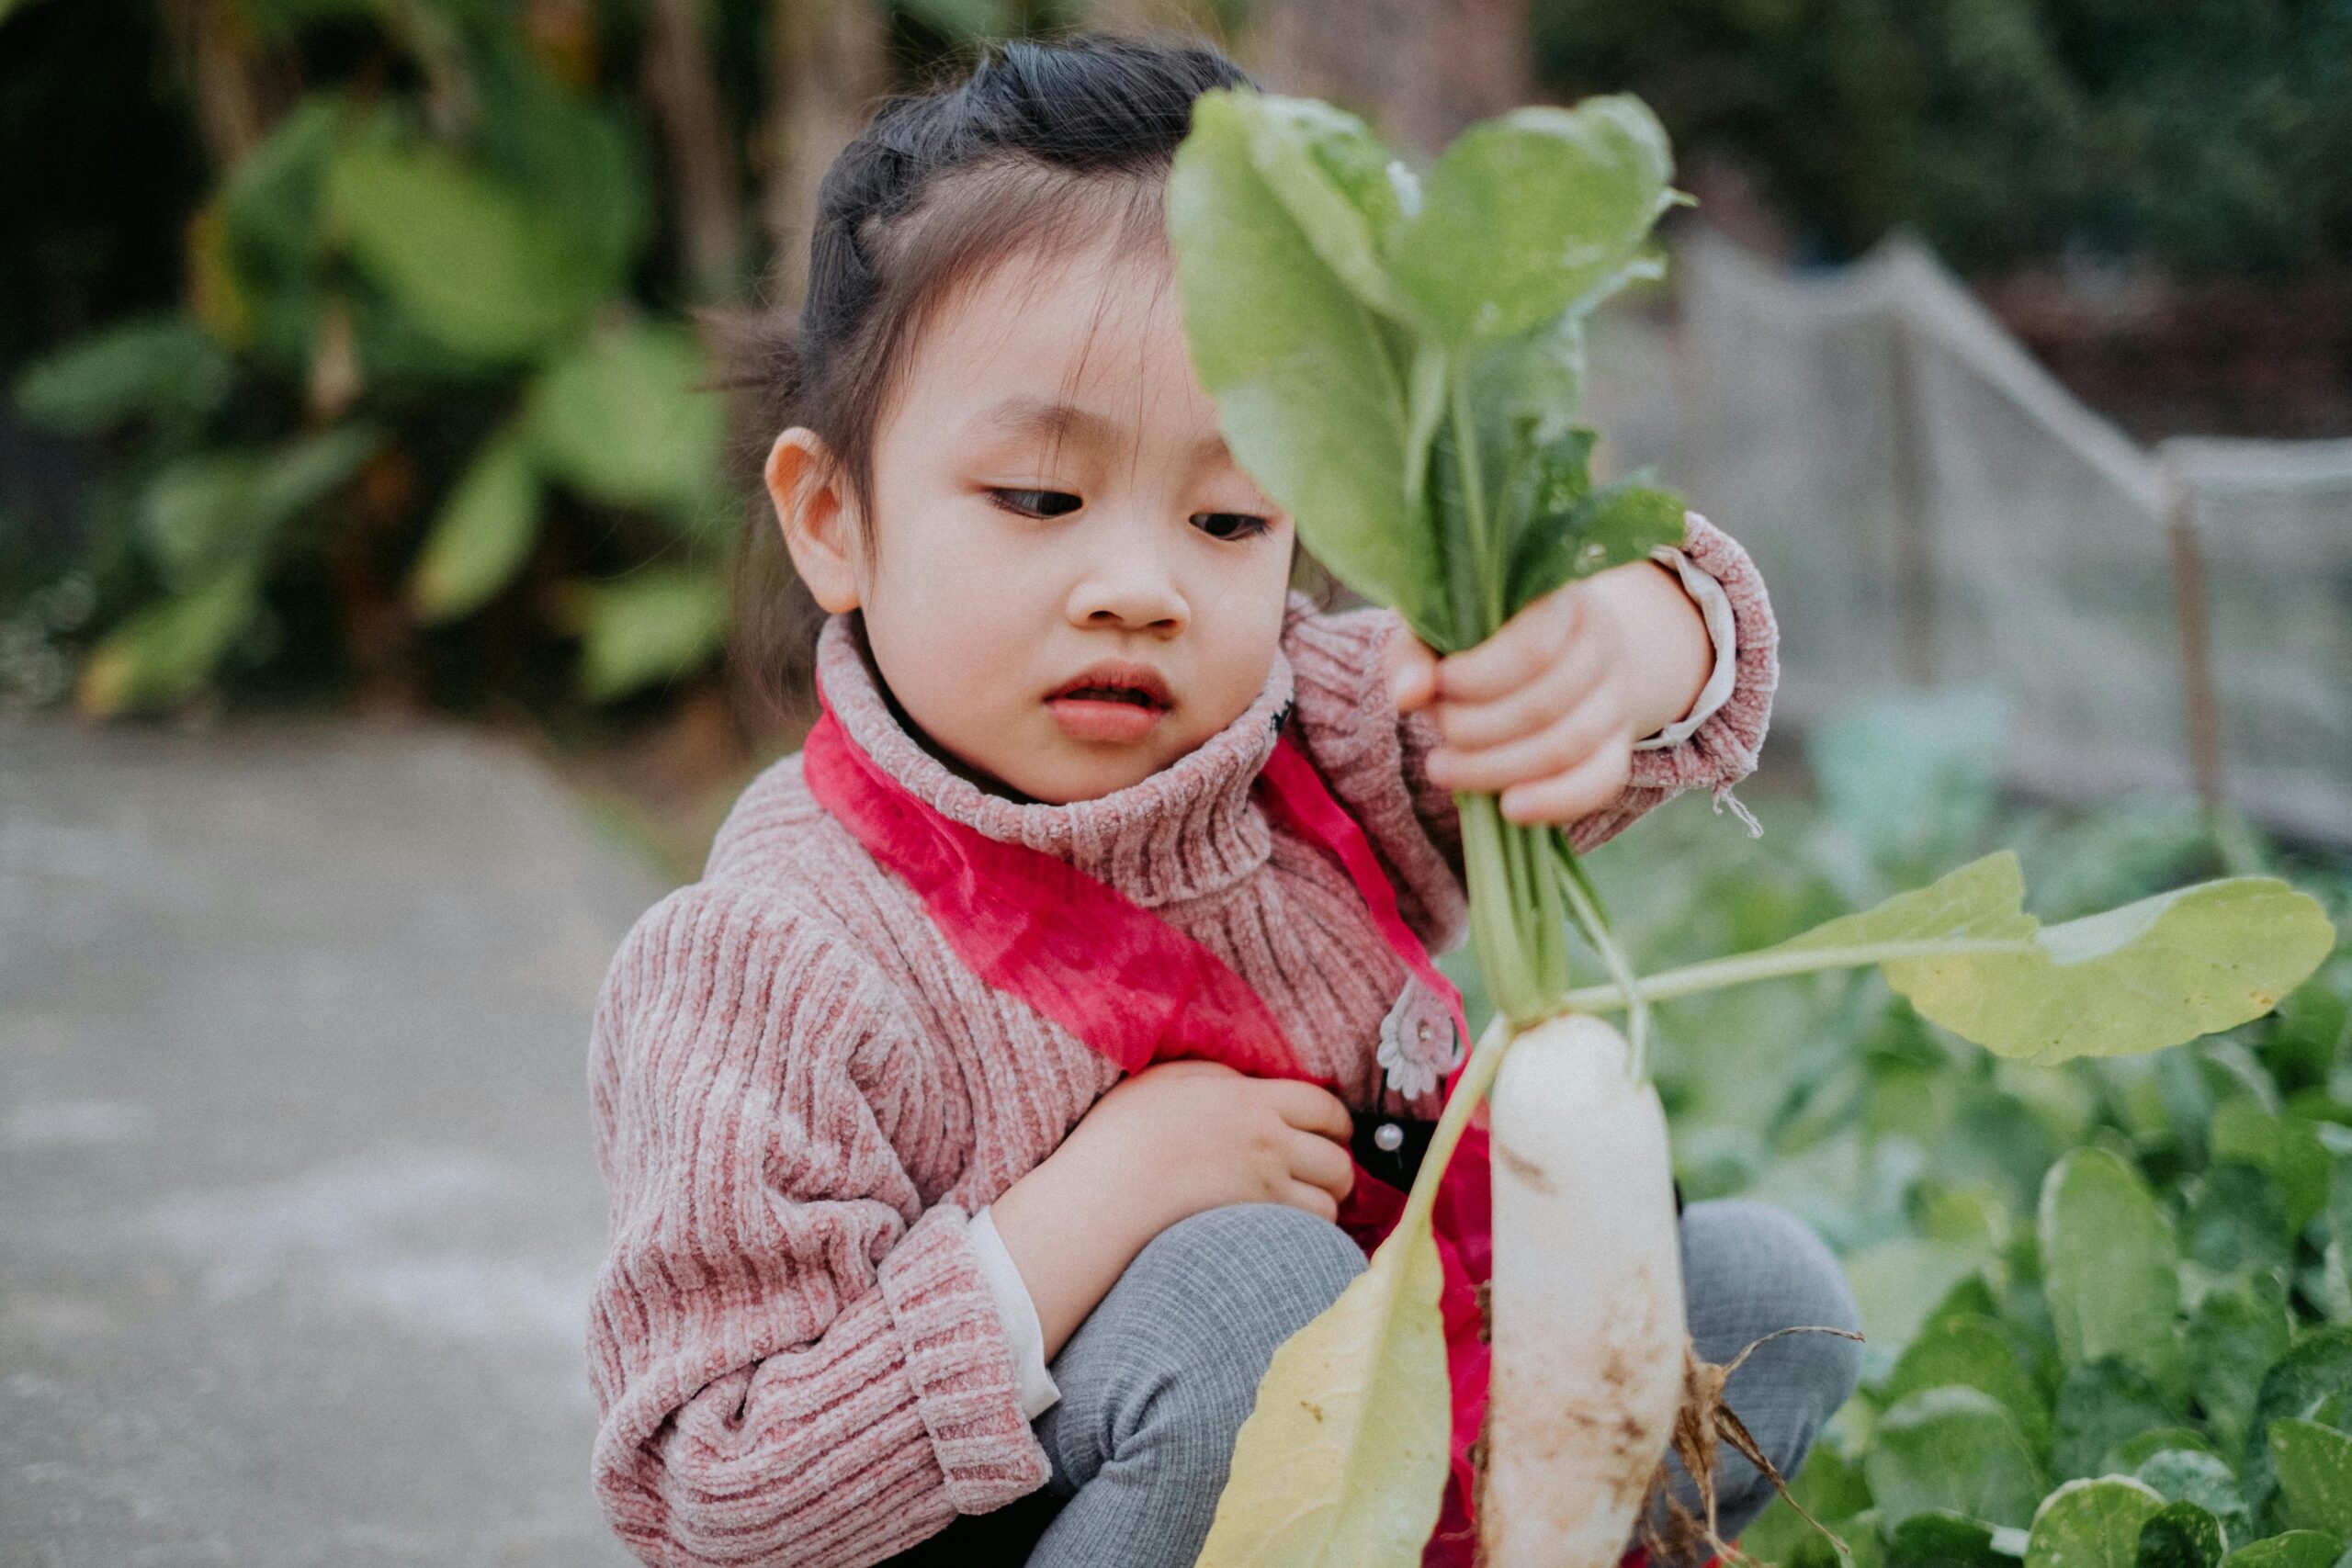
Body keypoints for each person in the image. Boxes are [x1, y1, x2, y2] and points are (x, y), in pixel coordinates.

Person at [584, 30, 1860, 1568]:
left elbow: (1679, 707)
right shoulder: (776, 962)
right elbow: (711, 1490)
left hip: (1409, 1471)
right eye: (1041, 501)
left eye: (1227, 515)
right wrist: (1093, 1208)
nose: (1139, 589)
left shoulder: (1314, 743)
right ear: (832, 519)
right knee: (1249, 1299)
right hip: (1068, 1511)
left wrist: (1621, 640)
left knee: (1769, 1298)